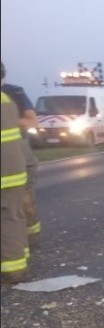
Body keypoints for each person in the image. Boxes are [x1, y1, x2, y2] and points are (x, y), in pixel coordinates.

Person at [1, 62, 41, 249]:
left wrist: (7, 120)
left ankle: (29, 240)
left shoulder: (14, 93)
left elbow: (32, 121)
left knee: (22, 204)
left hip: (19, 157)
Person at [1, 63, 30, 284]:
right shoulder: (7, 100)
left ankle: (11, 268)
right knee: (13, 214)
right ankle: (17, 263)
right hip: (14, 167)